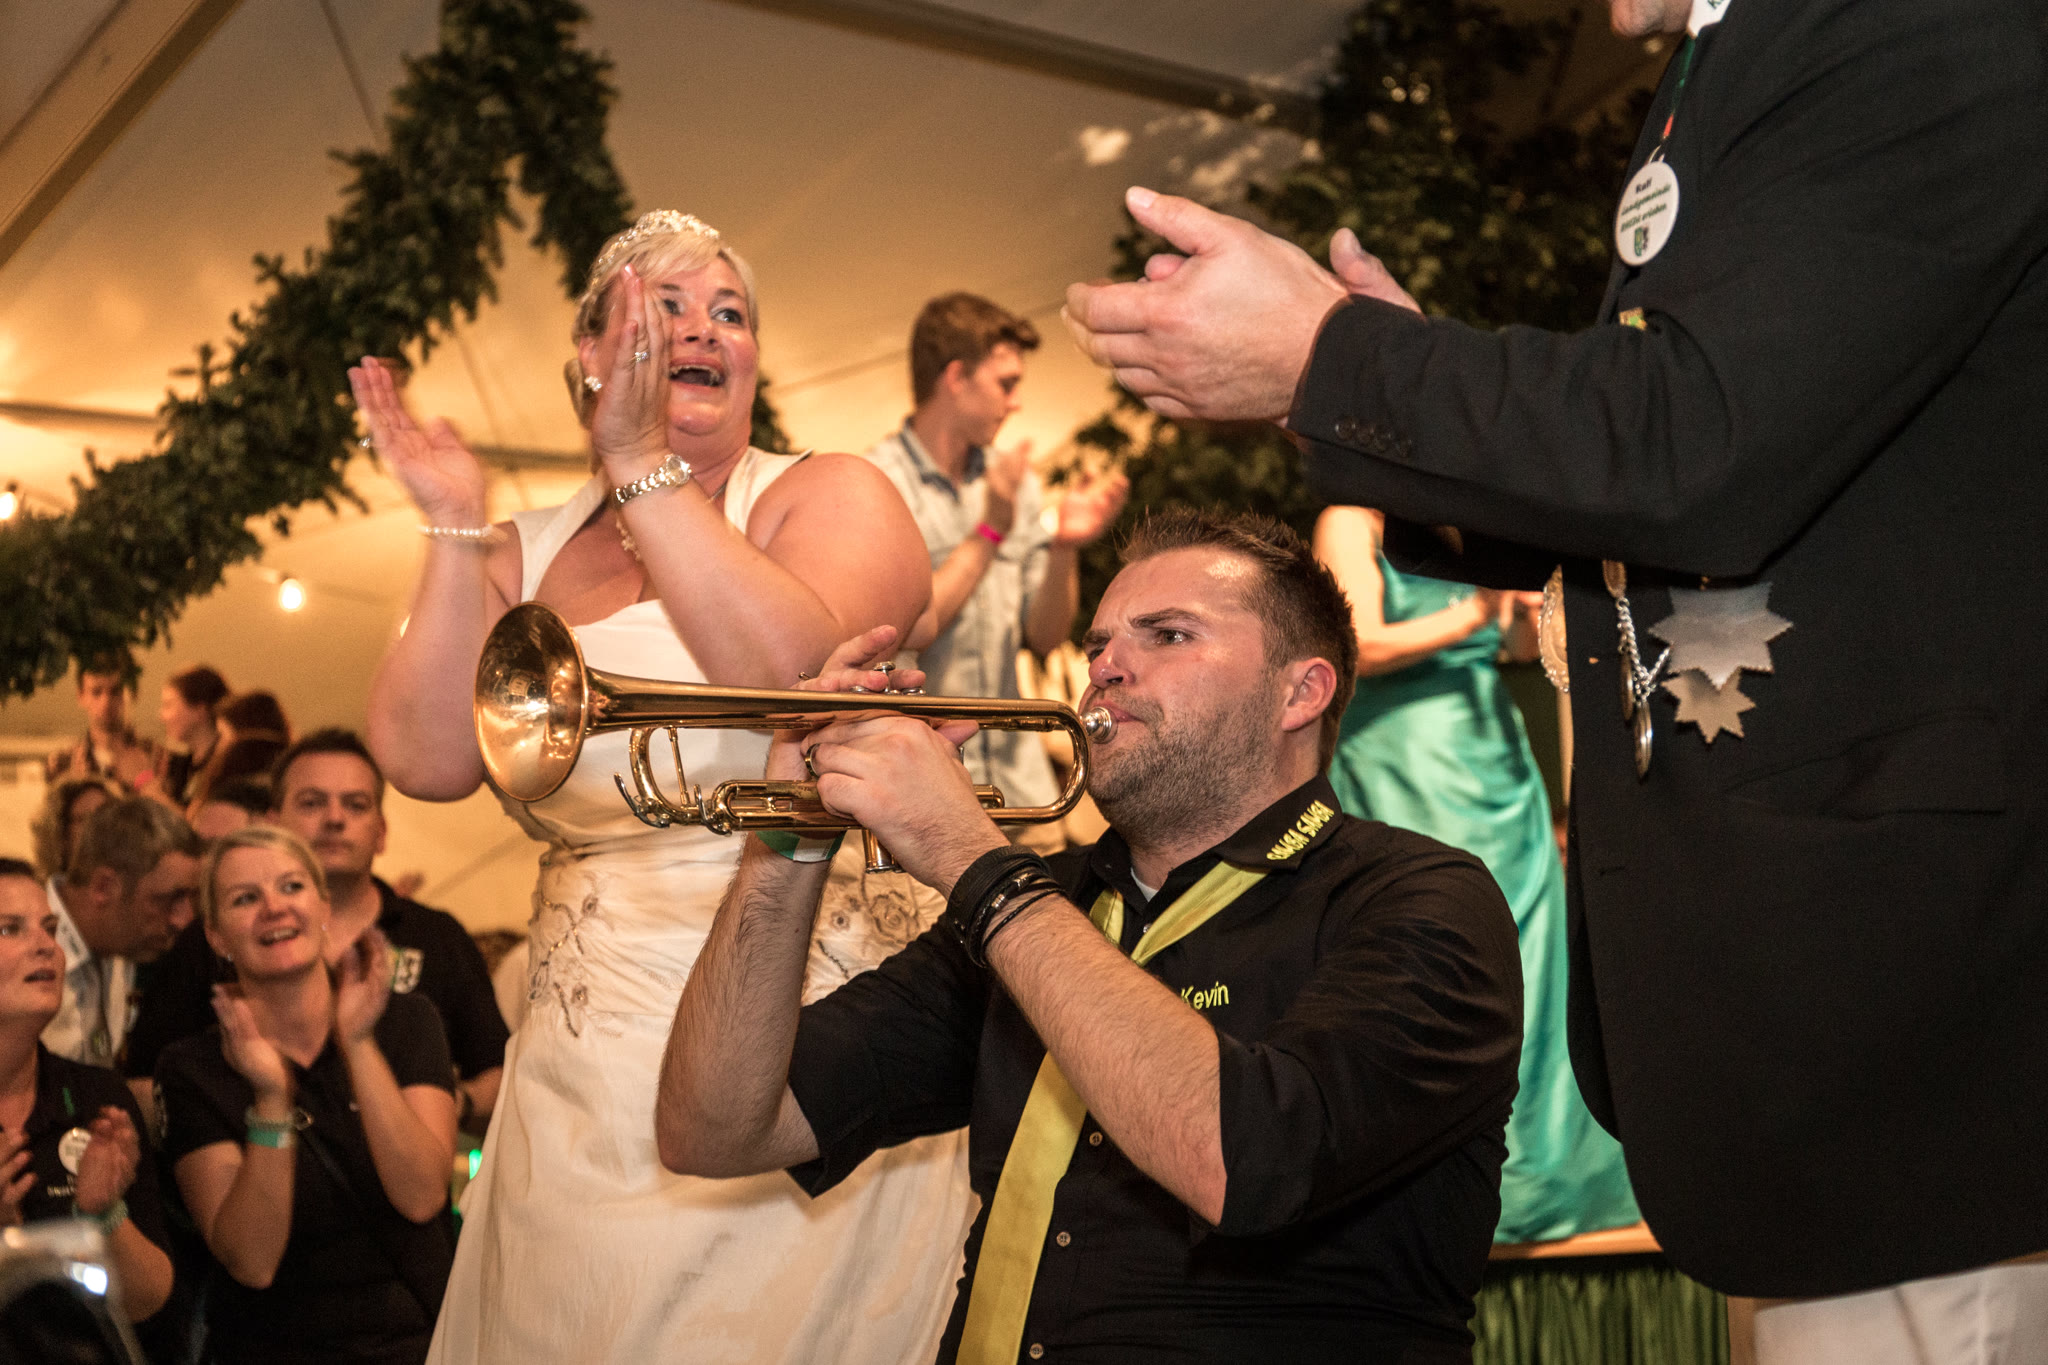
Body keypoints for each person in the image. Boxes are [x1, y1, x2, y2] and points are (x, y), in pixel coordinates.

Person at [1062, 0, 2048, 1350]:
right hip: (1827, 1012)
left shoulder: (1912, 19)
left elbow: (1700, 445)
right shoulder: (1730, 58)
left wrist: (1340, 361)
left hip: (1913, 1005)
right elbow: (1683, 466)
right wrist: (1364, 393)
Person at [657, 509, 1524, 1363]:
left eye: (1169, 635)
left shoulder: (1422, 898)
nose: (1104, 666)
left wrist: (972, 859)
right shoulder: (1044, 903)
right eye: (1098, 643)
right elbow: (715, 1127)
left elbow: (1243, 1159)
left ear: (1301, 692)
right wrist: (791, 837)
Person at [351, 208, 972, 1364]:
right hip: (587, 1053)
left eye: (728, 313)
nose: (702, 330)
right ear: (590, 355)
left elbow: (795, 686)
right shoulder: (520, 552)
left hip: (794, 1008)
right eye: (665, 308)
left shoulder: (826, 493)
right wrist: (451, 526)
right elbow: (424, 758)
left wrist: (645, 469)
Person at [1314, 505, 1636, 1244]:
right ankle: (1453, 1175)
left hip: (1491, 744)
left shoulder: (1468, 523)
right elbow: (1355, 644)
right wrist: (1476, 612)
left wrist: (1525, 619)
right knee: (1435, 950)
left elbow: (1512, 649)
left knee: (1530, 946)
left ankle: (1545, 1171)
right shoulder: (1351, 523)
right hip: (1408, 752)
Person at [156, 826, 456, 1365]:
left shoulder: (407, 1022)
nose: (274, 908)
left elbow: (422, 1198)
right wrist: (271, 1098)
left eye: (291, 887)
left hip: (420, 1347)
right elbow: (251, 1261)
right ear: (216, 937)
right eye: (245, 899)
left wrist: (358, 1044)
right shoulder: (192, 1069)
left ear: (323, 908)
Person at [124, 731, 510, 1133]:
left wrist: (447, 1103)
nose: (335, 818)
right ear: (274, 822)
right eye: (312, 802)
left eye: (356, 804)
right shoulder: (218, 937)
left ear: (381, 832)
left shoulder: (436, 937)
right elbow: (143, 1083)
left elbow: (500, 1074)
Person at [863, 293, 1128, 846]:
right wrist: (990, 532)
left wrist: (1063, 547)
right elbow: (901, 631)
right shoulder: (875, 482)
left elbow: (1045, 636)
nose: (1015, 402)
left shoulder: (1016, 483)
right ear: (956, 377)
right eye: (1006, 384)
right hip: (921, 796)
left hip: (1022, 793)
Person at [0, 857, 175, 1325]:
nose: (47, 946)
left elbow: (147, 1301)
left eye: (50, 929)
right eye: (10, 929)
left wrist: (103, 1214)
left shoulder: (97, 1098)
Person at [43, 797, 202, 1070]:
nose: (183, 920)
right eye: (169, 899)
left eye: (191, 898)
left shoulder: (119, 945)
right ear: (103, 888)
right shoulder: (21, 951)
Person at [44, 655, 159, 789]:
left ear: (133, 693)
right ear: (81, 696)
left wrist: (144, 781)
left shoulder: (158, 759)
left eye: (115, 691)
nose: (106, 702)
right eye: (96, 692)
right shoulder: (62, 765)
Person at [154, 665, 230, 807]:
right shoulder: (183, 766)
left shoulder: (223, 769)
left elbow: (193, 820)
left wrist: (145, 783)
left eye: (168, 705)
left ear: (199, 711)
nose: (162, 716)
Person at [27, 774, 121, 882]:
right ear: (61, 834)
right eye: (85, 819)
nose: (99, 827)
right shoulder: (36, 891)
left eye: (106, 816)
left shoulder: (130, 889)